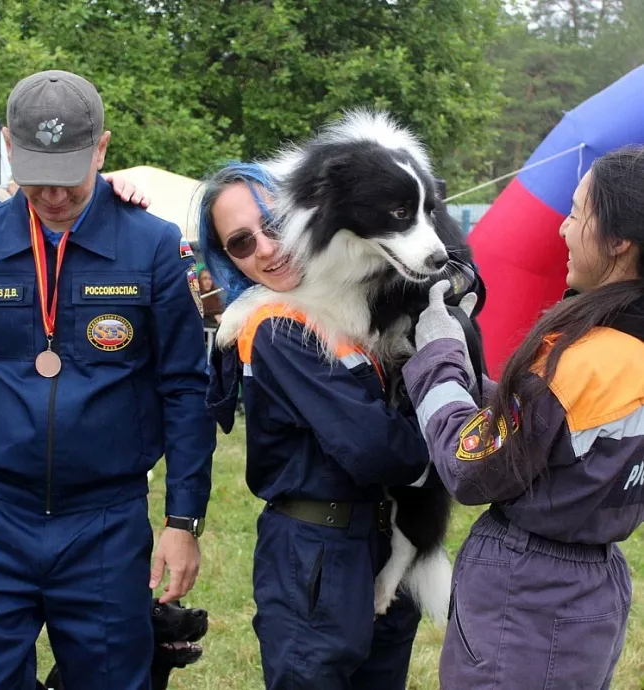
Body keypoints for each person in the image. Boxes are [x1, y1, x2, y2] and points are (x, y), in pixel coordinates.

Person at [0, 69, 216, 689]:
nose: (52, 196)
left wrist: (183, 523)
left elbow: (184, 390)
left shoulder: (150, 246)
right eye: (38, 175)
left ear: (101, 149)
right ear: (11, 150)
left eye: (68, 175)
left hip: (104, 521)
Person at [403, 145, 644, 689]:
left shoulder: (587, 359)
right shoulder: (627, 354)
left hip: (532, 592)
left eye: (579, 213)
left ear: (620, 240)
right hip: (593, 587)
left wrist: (437, 357)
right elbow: (553, 427)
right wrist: (476, 376)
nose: (562, 228)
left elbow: (471, 468)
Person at [201, 162, 431, 689]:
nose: (265, 247)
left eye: (274, 224)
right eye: (240, 243)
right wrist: (436, 449)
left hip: (376, 539)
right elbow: (373, 448)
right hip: (318, 553)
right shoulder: (276, 327)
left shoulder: (344, 302)